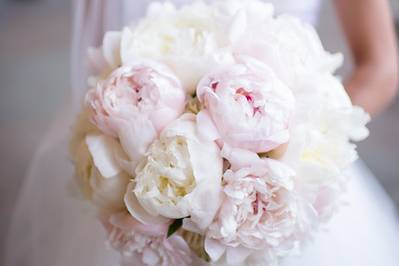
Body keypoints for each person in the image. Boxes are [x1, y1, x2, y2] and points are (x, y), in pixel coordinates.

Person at [4, 0, 399, 265]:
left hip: (279, 185)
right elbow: (95, 58)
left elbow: (381, 66)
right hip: (130, 188)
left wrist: (282, 142)